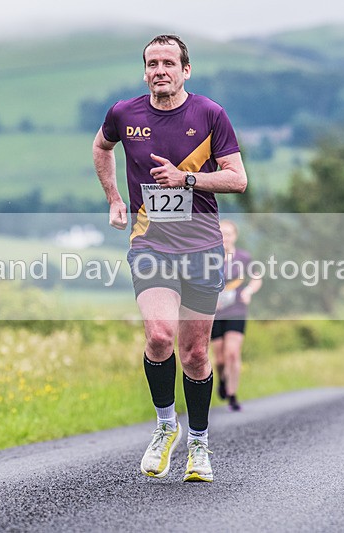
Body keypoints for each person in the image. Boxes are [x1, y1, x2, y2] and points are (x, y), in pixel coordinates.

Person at [92, 34, 247, 483]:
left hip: (201, 246)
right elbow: (102, 147)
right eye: (152, 63)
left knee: (195, 353)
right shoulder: (124, 113)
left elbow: (237, 179)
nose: (160, 69)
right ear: (145, 70)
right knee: (160, 337)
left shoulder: (209, 114)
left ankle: (198, 444)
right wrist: (114, 199)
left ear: (186, 70)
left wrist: (187, 179)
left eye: (169, 63)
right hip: (151, 244)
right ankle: (165, 427)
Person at [210, 219, 262, 412]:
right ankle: (222, 380)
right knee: (220, 359)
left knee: (232, 353)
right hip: (214, 313)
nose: (225, 237)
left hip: (237, 311)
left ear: (235, 236)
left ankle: (232, 394)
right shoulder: (209, 258)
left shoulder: (243, 257)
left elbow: (256, 277)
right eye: (222, 233)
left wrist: (248, 291)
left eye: (229, 233)